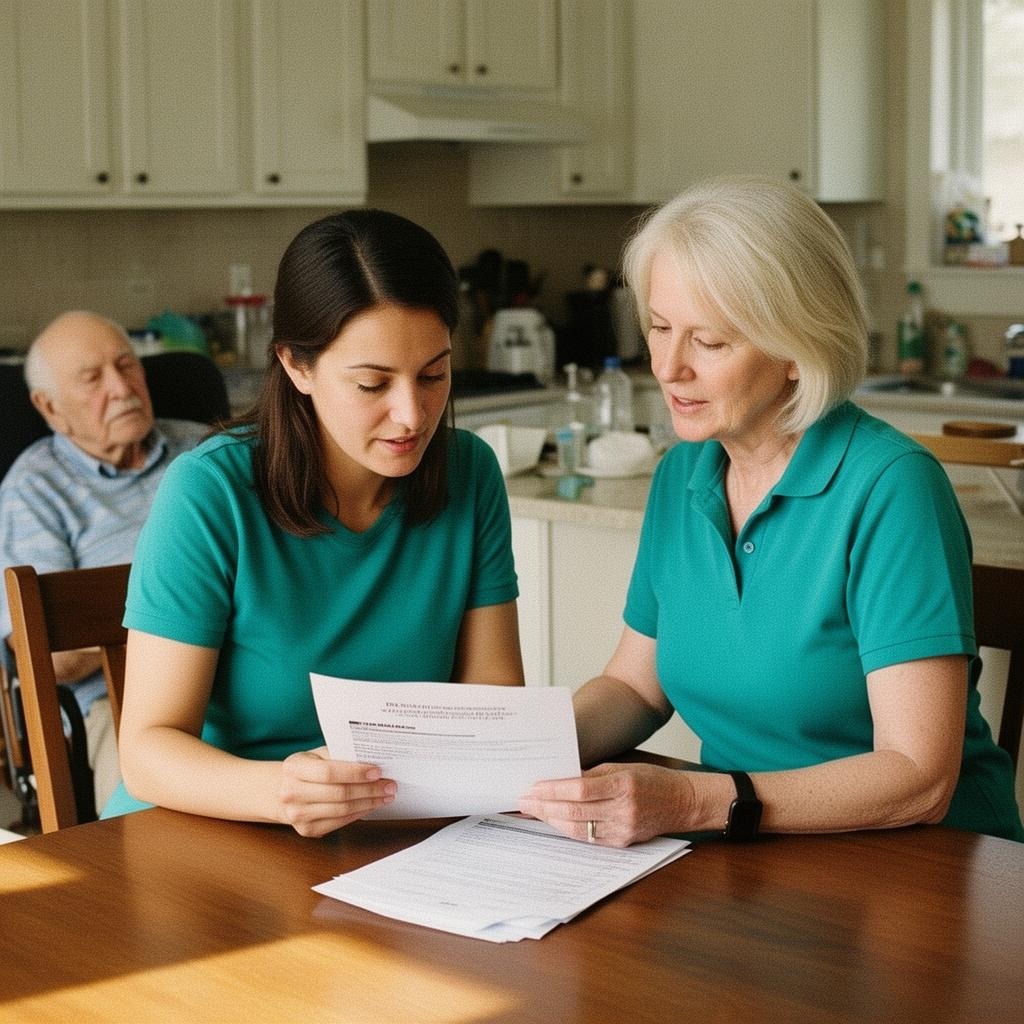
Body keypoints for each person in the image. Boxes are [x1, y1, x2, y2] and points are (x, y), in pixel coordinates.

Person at [517, 176, 1024, 845]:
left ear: (798, 347)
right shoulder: (682, 475)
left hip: (929, 867)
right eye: (660, 328)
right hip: (753, 854)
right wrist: (520, 754)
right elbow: (635, 687)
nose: (667, 367)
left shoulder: (893, 488)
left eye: (710, 341)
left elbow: (919, 778)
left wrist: (698, 801)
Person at [106, 209, 525, 836]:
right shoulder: (210, 492)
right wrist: (282, 790)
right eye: (372, 383)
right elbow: (146, 753)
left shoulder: (470, 473)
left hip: (393, 834)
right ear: (297, 366)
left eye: (433, 375)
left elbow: (492, 698)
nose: (411, 415)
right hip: (212, 832)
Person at [0, 311, 209, 813]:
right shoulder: (33, 493)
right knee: (156, 837)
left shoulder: (208, 449)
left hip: (250, 671)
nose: (121, 387)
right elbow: (52, 658)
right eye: (93, 378)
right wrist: (191, 615)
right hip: (120, 699)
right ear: (49, 407)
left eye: (127, 365)